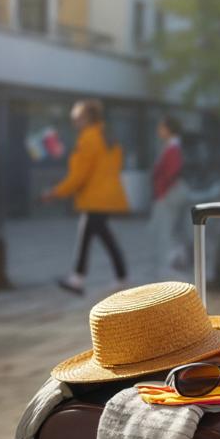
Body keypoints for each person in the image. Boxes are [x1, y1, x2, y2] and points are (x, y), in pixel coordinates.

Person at [43, 99, 130, 295]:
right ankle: (85, 277)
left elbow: (79, 175)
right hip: (108, 195)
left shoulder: (88, 139)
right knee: (94, 235)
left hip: (96, 198)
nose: (73, 121)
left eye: (76, 116)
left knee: (97, 236)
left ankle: (86, 278)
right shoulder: (108, 135)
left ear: (85, 118)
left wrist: (56, 192)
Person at [148, 115, 188, 279]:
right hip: (170, 191)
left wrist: (162, 188)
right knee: (173, 228)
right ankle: (177, 257)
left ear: (169, 130)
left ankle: (172, 262)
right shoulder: (172, 147)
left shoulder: (172, 149)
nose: (159, 131)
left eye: (161, 128)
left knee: (165, 228)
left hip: (169, 193)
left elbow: (171, 171)